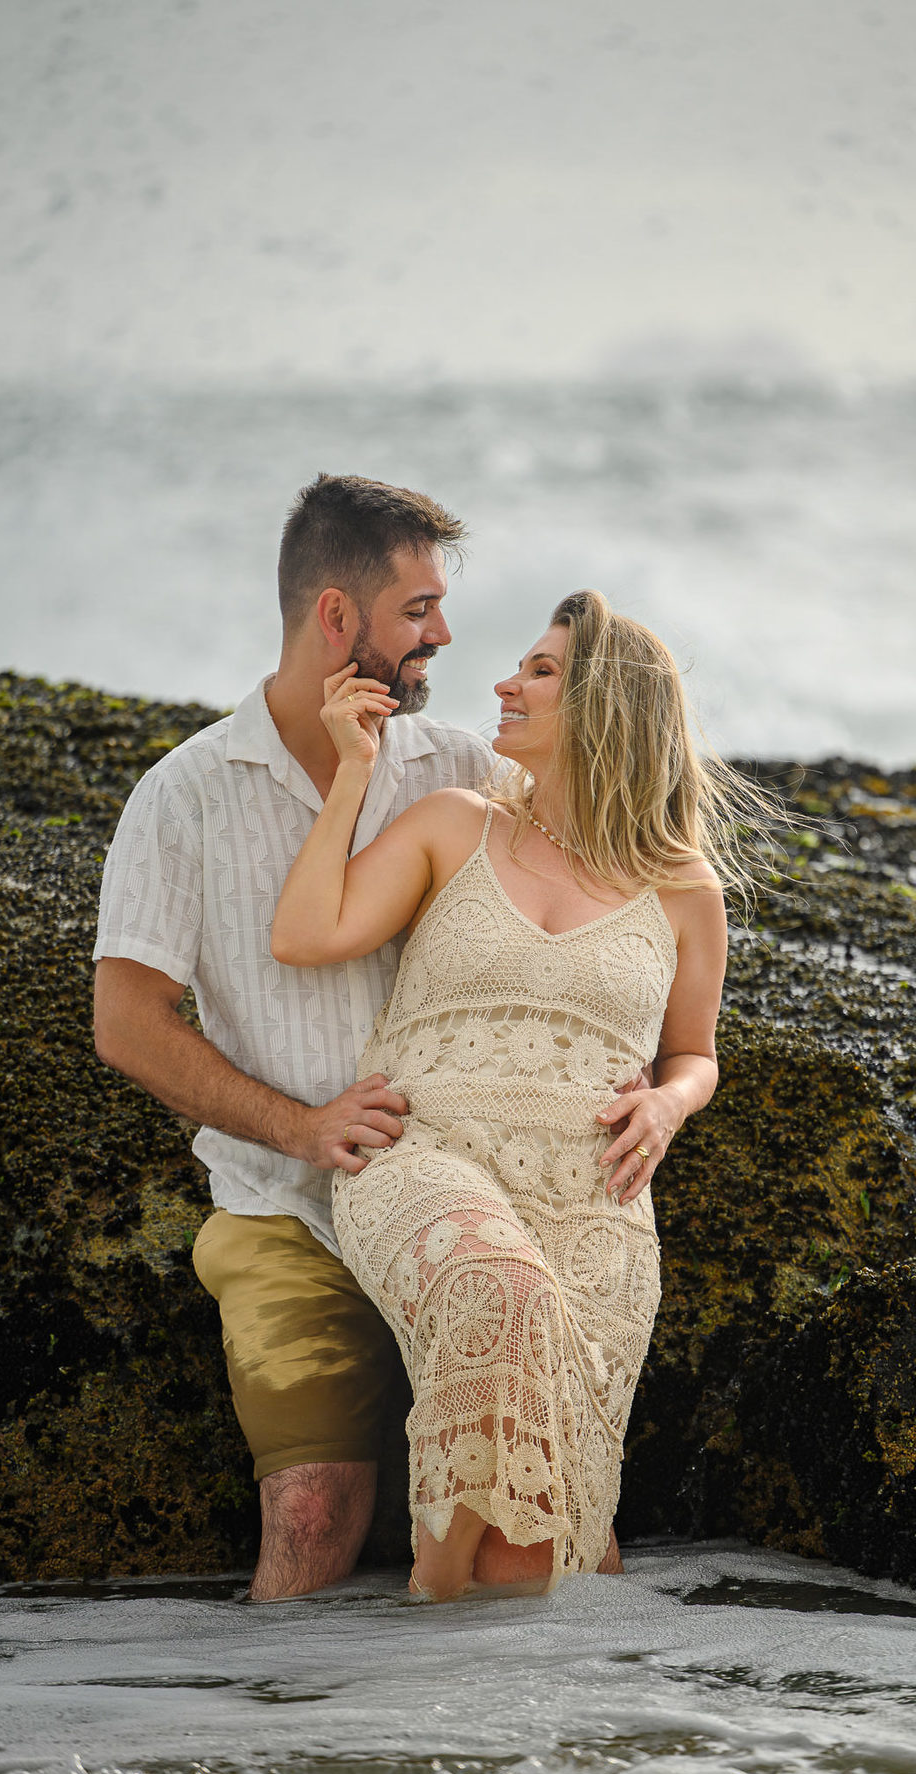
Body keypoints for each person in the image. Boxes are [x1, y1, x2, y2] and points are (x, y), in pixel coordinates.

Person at [271, 589, 746, 1599]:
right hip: (426, 1157)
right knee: (506, 1295)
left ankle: (474, 1729)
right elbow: (304, 933)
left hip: (595, 1208)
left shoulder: (684, 887)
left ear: (607, 706)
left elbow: (695, 1054)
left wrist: (667, 1105)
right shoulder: (456, 825)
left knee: (534, 1551)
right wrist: (353, 772)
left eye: (539, 671)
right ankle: (436, 1644)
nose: (504, 682)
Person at [93, 472, 498, 1600]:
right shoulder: (183, 797)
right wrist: (302, 1126)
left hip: (459, 1199)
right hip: (282, 1214)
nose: (444, 632)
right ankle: (272, 1745)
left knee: (512, 1524)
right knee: (316, 1513)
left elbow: (591, 889)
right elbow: (126, 1025)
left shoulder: (463, 768)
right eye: (417, 610)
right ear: (336, 617)